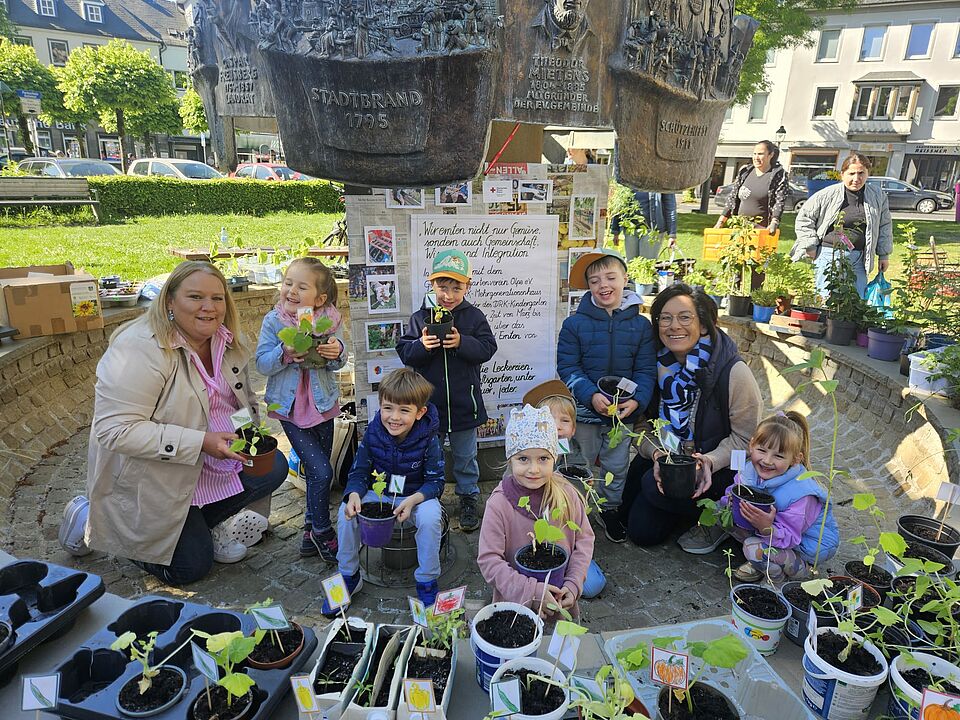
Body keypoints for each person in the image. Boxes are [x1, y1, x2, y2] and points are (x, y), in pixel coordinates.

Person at [83, 261, 288, 585]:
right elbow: (115, 430)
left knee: (272, 465)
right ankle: (94, 516)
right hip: (159, 476)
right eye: (195, 297)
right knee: (191, 568)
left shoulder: (225, 340)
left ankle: (208, 523)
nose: (209, 307)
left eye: (217, 298)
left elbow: (232, 401)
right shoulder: (139, 349)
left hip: (211, 463)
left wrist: (246, 432)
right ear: (169, 301)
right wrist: (201, 442)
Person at [620, 284, 762, 552]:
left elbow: (747, 438)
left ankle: (717, 520)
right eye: (665, 317)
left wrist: (709, 460)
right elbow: (642, 426)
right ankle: (686, 510)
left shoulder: (733, 372)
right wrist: (657, 455)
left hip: (718, 469)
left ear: (705, 326)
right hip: (670, 459)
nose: (674, 326)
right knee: (639, 531)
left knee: (651, 487)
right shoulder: (652, 367)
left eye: (685, 317)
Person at [322, 369, 445, 613]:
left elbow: (436, 481)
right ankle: (348, 575)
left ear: (420, 413)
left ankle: (427, 580)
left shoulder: (429, 438)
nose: (394, 417)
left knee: (431, 518)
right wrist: (354, 494)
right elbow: (358, 472)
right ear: (380, 405)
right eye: (388, 408)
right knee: (346, 515)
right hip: (379, 494)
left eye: (404, 410)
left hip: (415, 495)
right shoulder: (373, 432)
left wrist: (415, 499)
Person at [557, 248, 657, 543]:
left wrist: (638, 400)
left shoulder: (641, 326)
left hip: (623, 414)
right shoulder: (574, 324)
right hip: (586, 413)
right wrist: (589, 395)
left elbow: (646, 370)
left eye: (611, 277)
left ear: (625, 279)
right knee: (581, 461)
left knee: (616, 465)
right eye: (595, 281)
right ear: (588, 287)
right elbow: (568, 366)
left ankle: (609, 509)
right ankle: (577, 511)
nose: (604, 285)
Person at [396, 249, 498, 533]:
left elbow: (488, 348)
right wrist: (422, 347)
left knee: (466, 457)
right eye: (443, 287)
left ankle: (468, 498)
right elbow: (405, 351)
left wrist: (462, 342)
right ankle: (432, 500)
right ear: (432, 285)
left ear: (468, 285)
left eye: (456, 287)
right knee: (432, 456)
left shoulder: (474, 317)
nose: (449, 295)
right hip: (430, 409)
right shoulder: (420, 318)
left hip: (466, 406)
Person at [256, 257, 347, 562]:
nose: (291, 290)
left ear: (320, 298)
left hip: (323, 405)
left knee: (316, 472)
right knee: (322, 472)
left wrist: (337, 352)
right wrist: (284, 353)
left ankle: (308, 533)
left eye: (301, 286)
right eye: (288, 283)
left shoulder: (329, 320)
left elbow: (339, 361)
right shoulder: (274, 321)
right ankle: (322, 530)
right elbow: (262, 364)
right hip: (292, 409)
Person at [477, 405, 595, 619]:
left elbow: (584, 541)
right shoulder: (499, 503)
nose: (533, 469)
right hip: (515, 608)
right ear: (510, 459)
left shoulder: (567, 494)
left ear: (555, 458)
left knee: (556, 651)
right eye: (523, 459)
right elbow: (489, 561)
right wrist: (532, 591)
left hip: (561, 603)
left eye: (543, 458)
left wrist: (574, 583)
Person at [720, 412, 839, 582]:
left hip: (800, 548)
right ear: (752, 445)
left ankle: (777, 578)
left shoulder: (801, 493)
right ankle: (763, 560)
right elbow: (733, 490)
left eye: (778, 456)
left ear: (795, 460)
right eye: (762, 450)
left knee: (752, 548)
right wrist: (730, 501)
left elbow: (791, 537)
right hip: (770, 532)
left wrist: (766, 527)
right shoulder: (749, 470)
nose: (767, 460)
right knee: (722, 510)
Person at [523, 379, 606, 598]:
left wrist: (581, 487)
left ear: (574, 428)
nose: (558, 426)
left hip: (565, 538)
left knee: (592, 586)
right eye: (549, 420)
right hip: (529, 537)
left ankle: (578, 560)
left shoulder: (573, 453)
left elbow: (578, 494)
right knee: (530, 574)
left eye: (565, 421)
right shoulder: (524, 458)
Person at [792, 152, 892, 298]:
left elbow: (884, 226)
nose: (856, 179)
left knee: (856, 301)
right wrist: (810, 245)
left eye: (861, 173)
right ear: (842, 174)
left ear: (867, 174)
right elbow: (804, 218)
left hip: (860, 257)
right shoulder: (827, 194)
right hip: (828, 255)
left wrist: (884, 255)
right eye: (851, 173)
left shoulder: (877, 196)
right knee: (825, 298)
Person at [715, 140, 788, 235]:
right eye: (755, 154)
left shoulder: (778, 175)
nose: (756, 157)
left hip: (762, 229)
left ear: (771, 155)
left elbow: (780, 201)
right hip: (738, 227)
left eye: (760, 154)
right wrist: (720, 221)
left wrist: (774, 221)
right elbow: (732, 199)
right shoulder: (745, 172)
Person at [611, 191, 678, 262]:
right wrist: (616, 231)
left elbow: (670, 207)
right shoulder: (628, 181)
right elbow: (619, 206)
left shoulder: (662, 182)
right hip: (630, 229)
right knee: (631, 264)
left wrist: (672, 234)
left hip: (652, 230)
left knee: (646, 264)